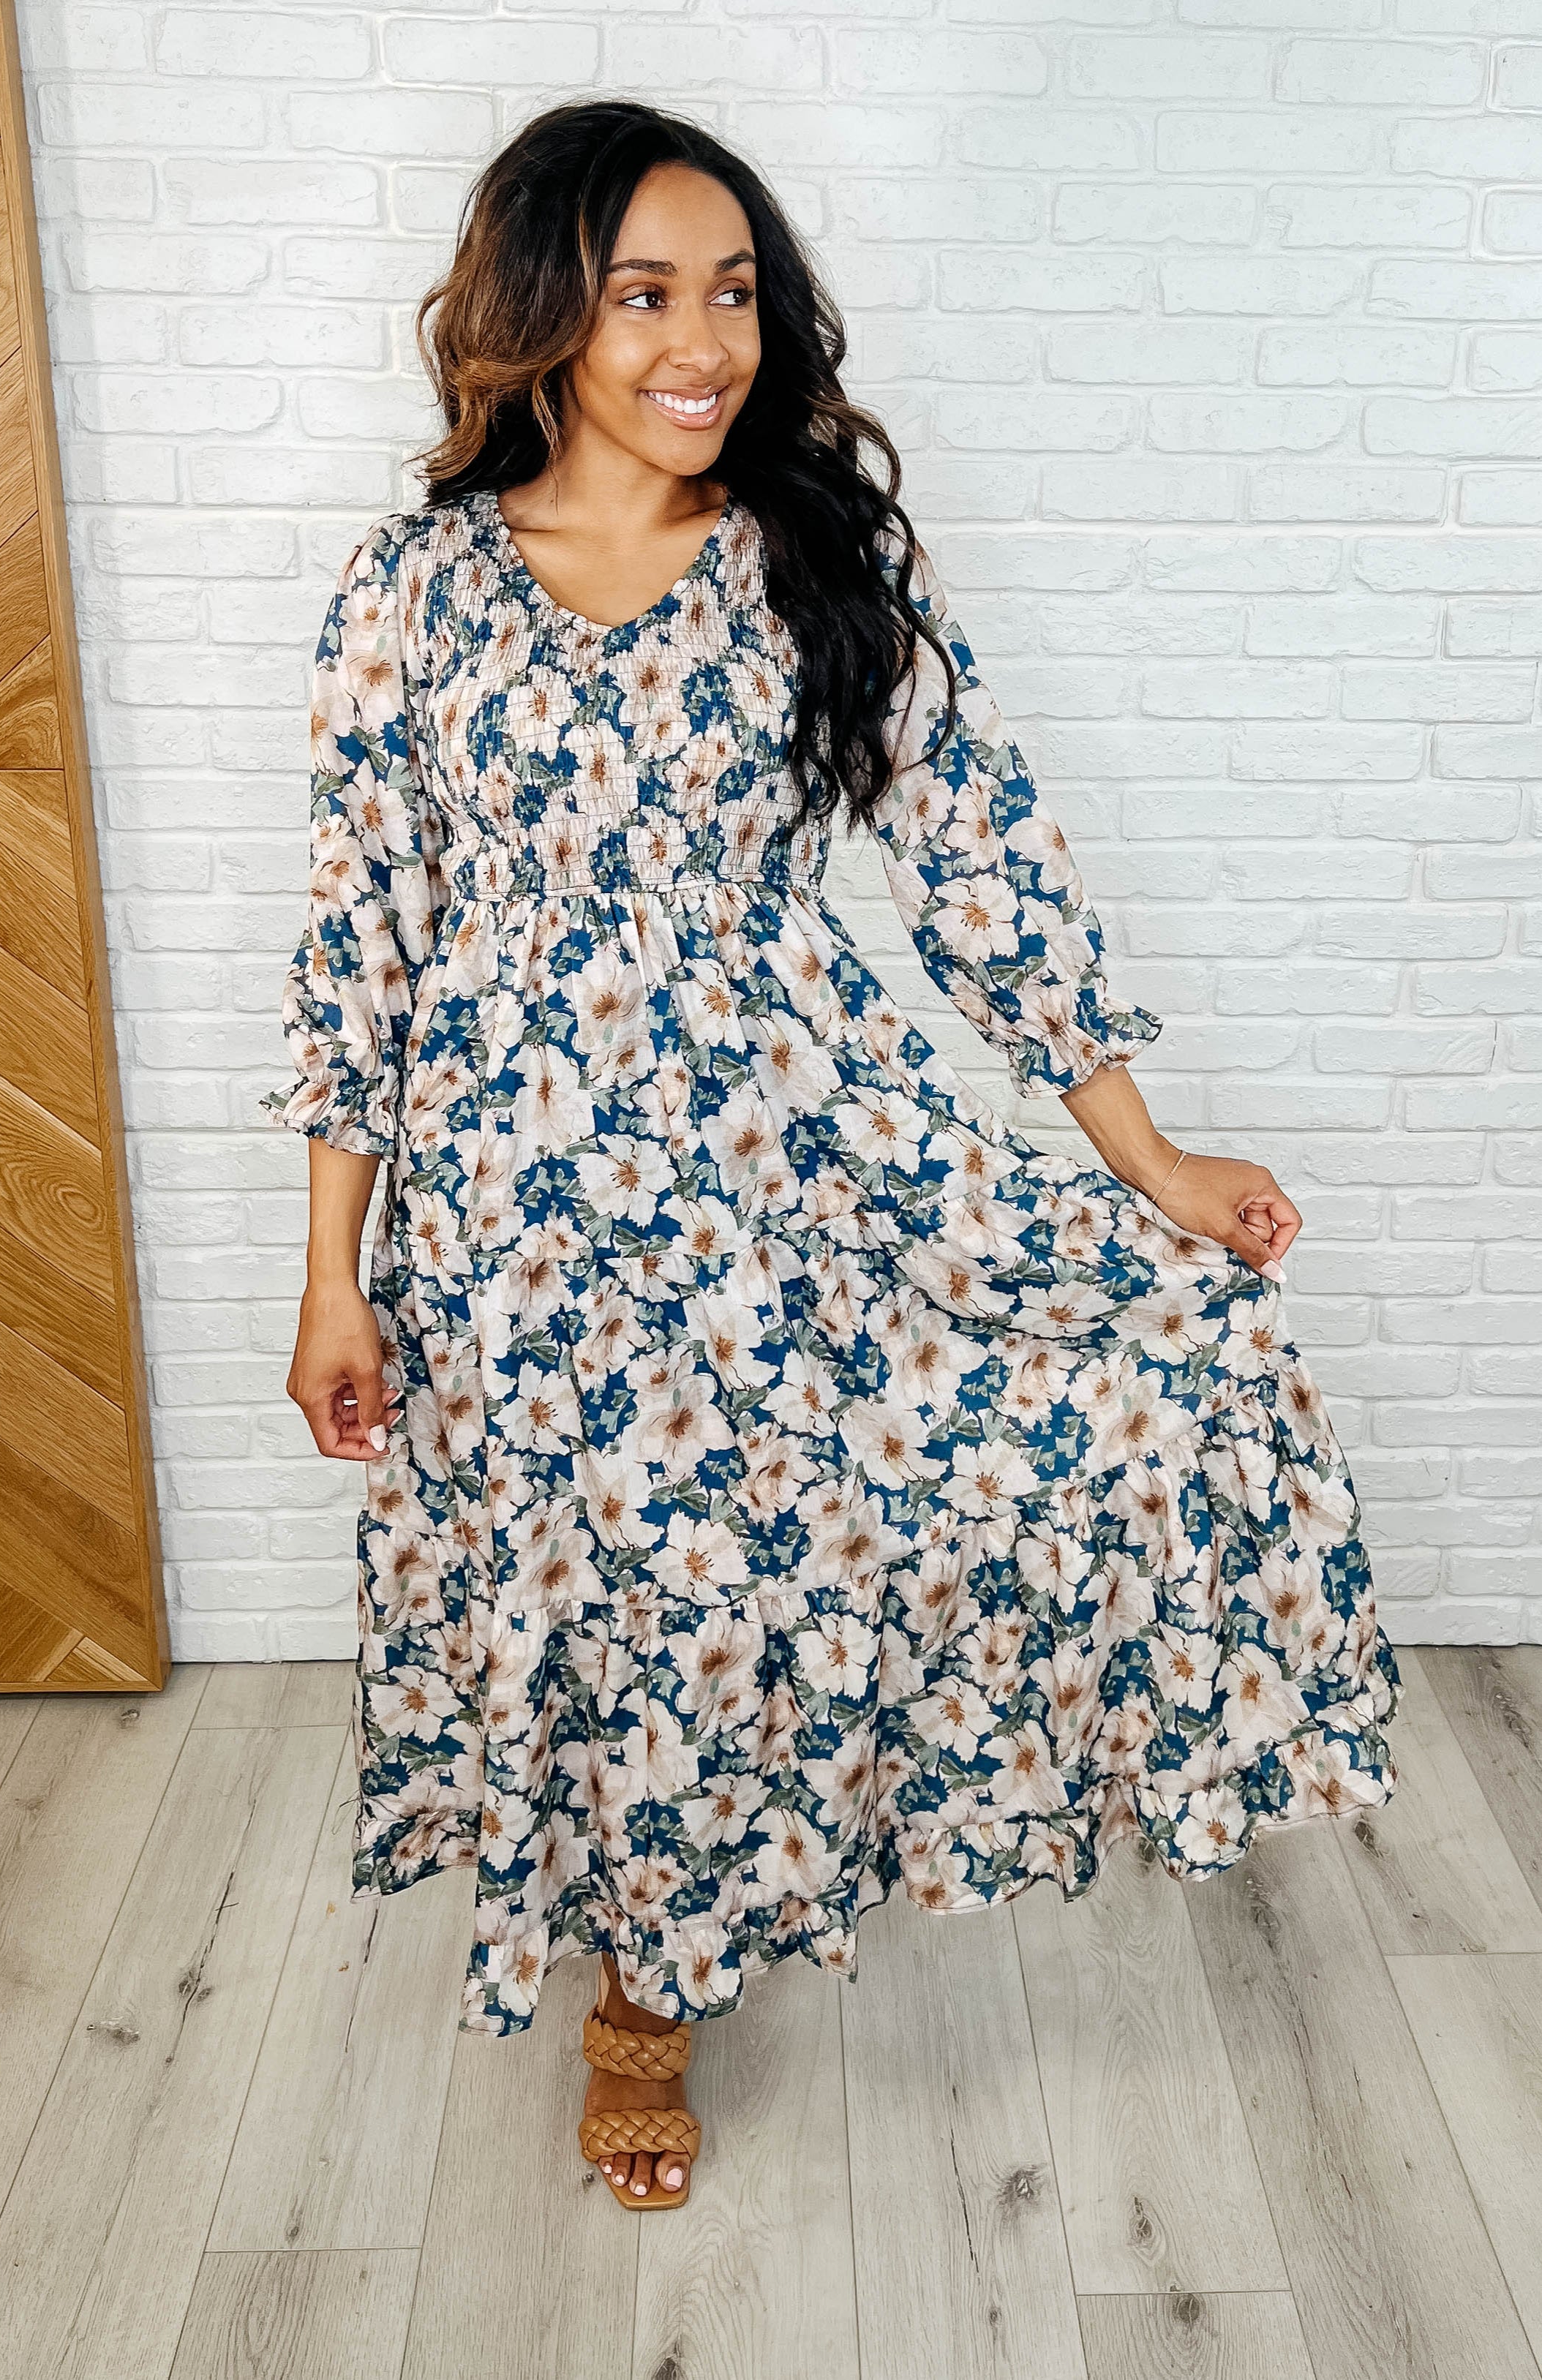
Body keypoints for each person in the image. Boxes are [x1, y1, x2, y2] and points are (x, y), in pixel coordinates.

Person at [264, 99, 1401, 2213]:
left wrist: (1147, 1158)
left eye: (733, 293)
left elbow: (977, 857)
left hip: (793, 1155)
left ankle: (752, 1900)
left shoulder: (817, 561)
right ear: (539, 311)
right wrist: (332, 1275)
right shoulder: (411, 590)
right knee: (600, 1587)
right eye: (643, 294)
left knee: (786, 1552)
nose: (702, 342)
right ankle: (641, 1993)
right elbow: (362, 947)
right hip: (511, 1204)